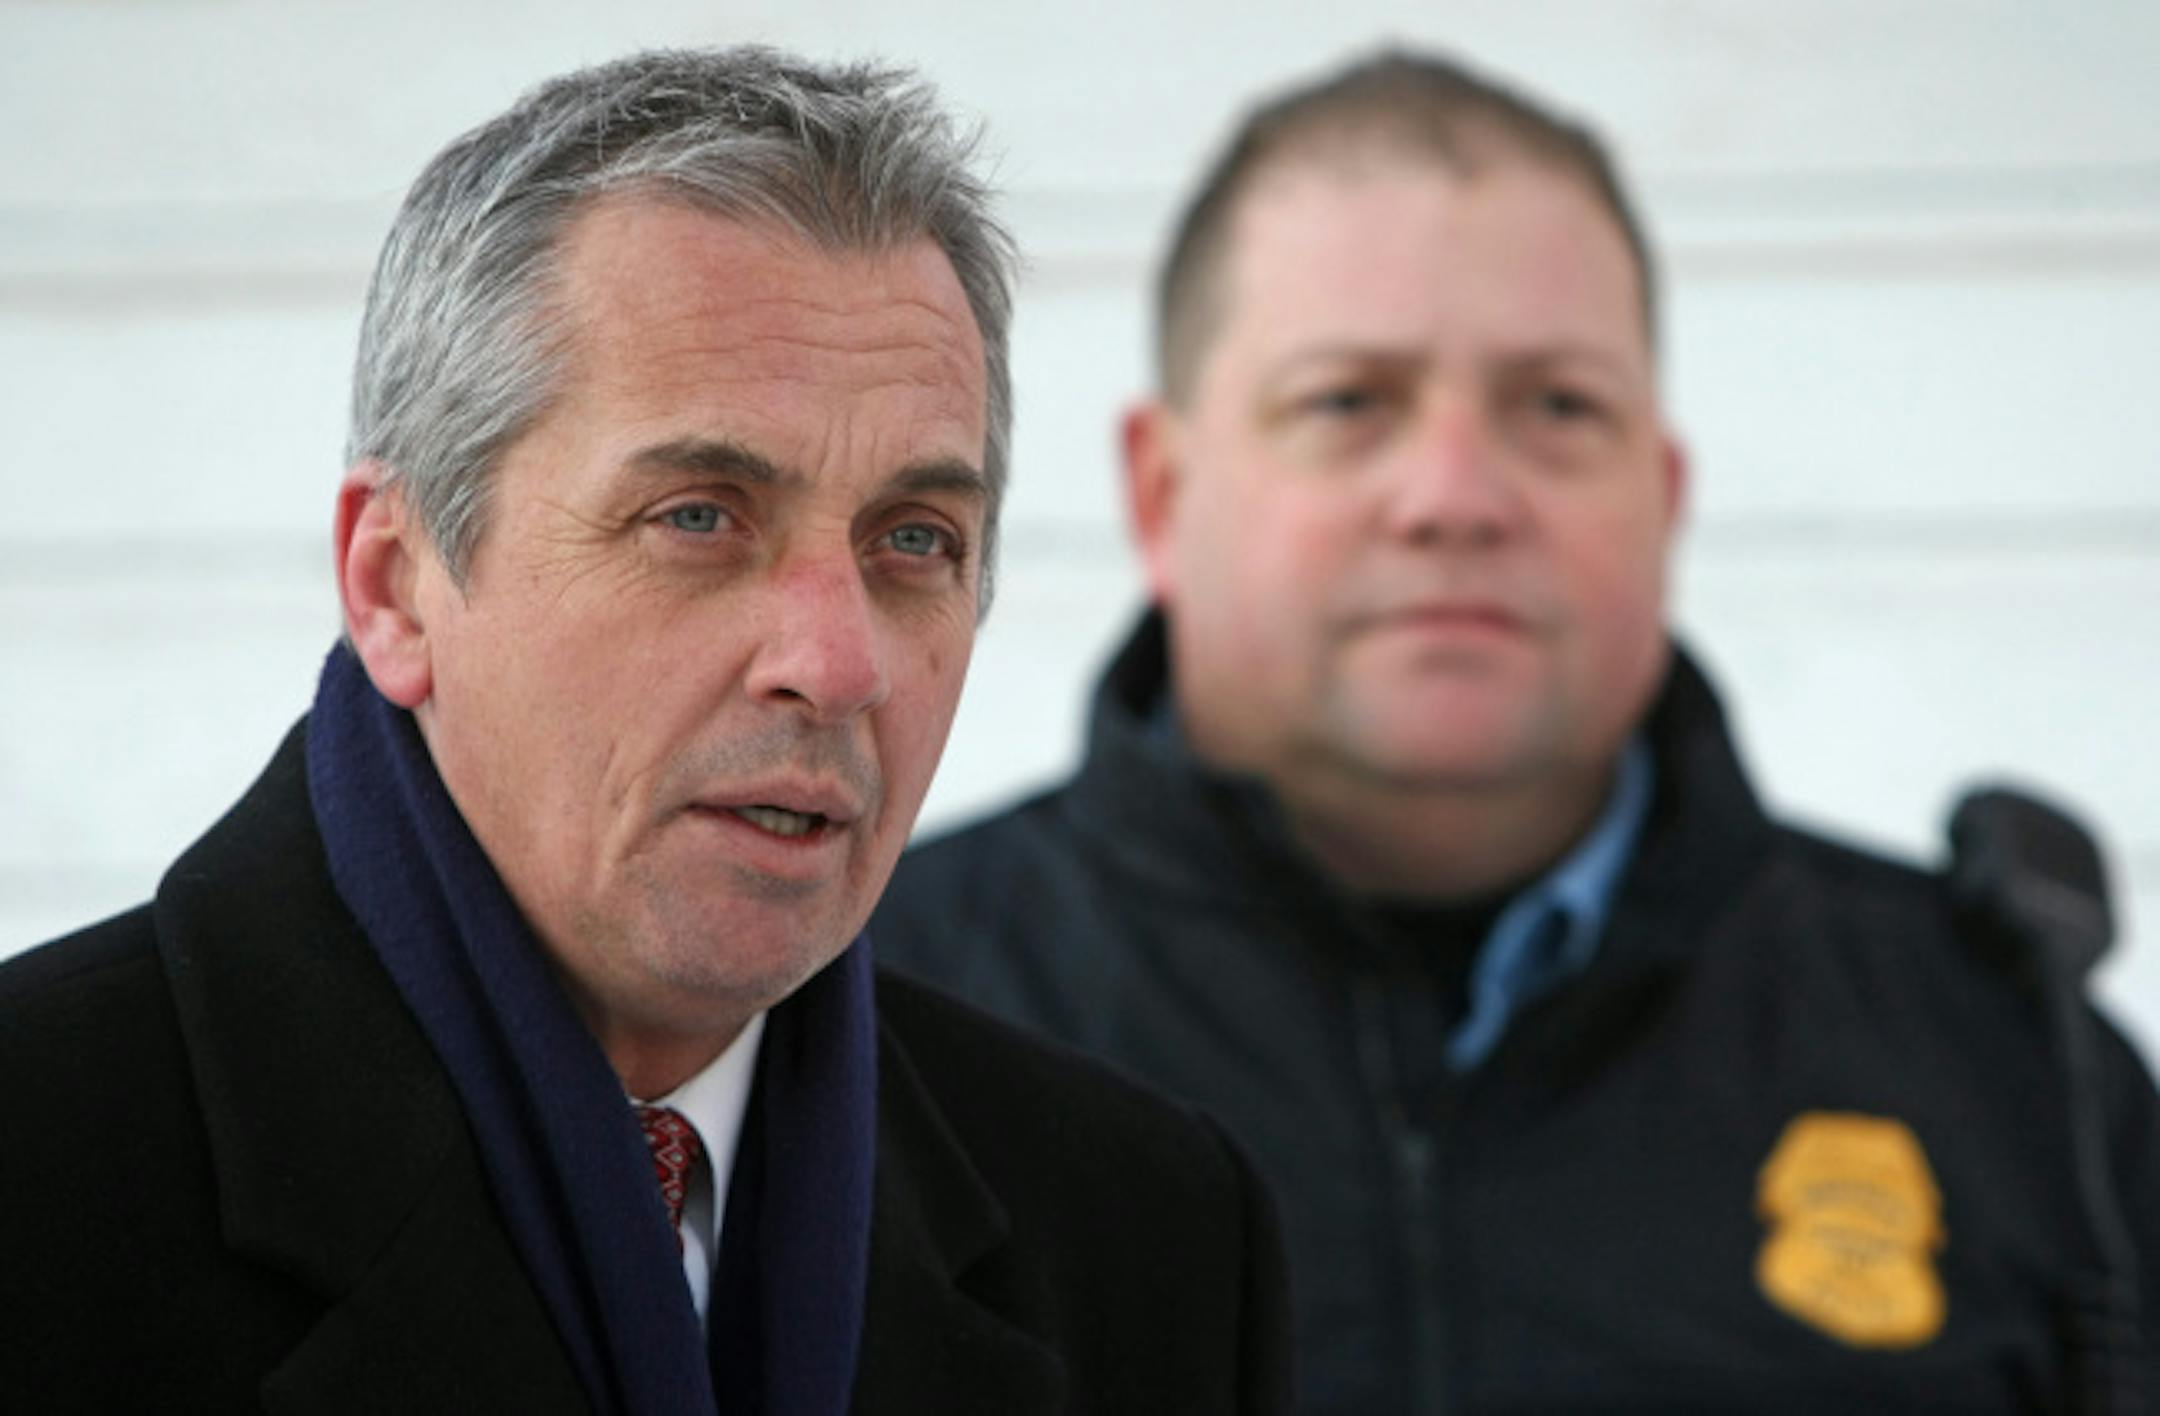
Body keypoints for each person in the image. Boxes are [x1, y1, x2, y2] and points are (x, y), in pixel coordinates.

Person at [0, 48, 1289, 1415]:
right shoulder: (40, 1177)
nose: (836, 662)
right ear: (394, 582)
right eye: (698, 516)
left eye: (914, 539)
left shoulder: (1155, 1241)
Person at [872, 48, 2160, 1414]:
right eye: (1348, 402)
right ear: (1160, 490)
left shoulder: (2012, 1061)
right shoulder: (861, 1023)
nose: (1455, 495)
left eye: (1558, 406)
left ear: (1662, 495)